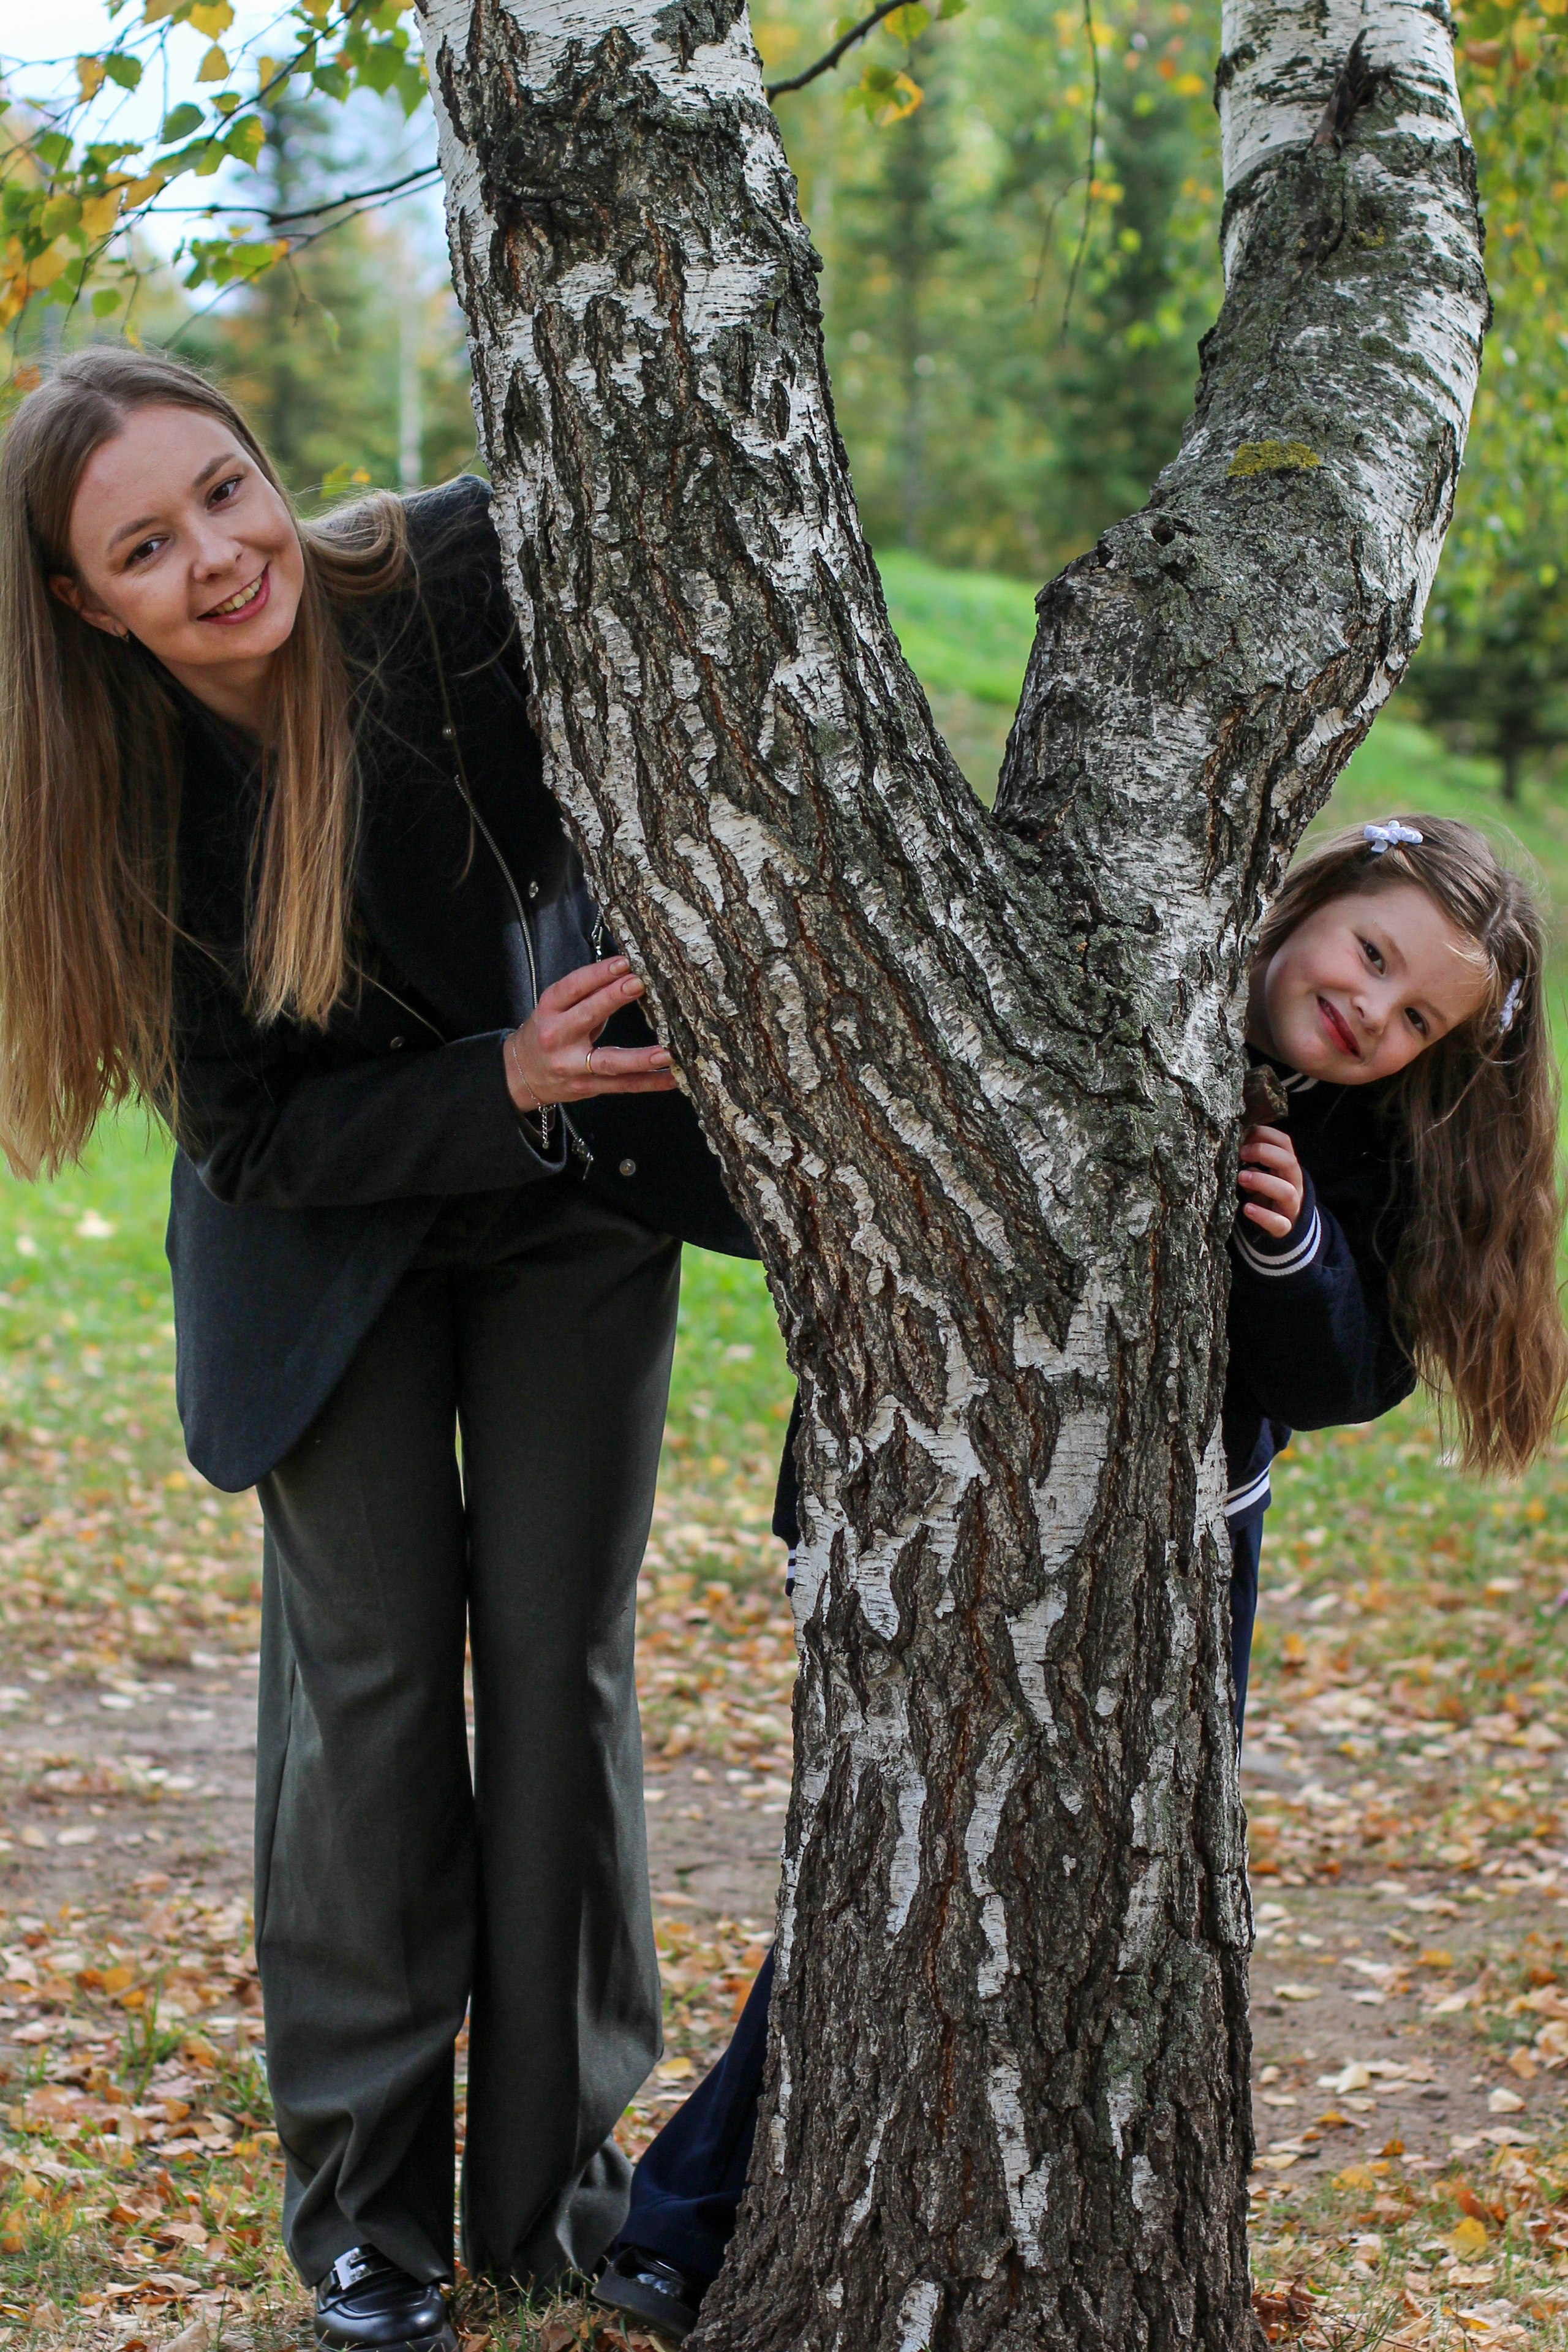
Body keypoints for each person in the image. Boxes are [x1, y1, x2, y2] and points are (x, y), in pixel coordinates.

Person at [0, 346, 759, 2352]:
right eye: (145, 548)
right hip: (323, 1237)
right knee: (371, 1696)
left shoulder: (460, 580)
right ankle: (365, 2228)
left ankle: (551, 2204)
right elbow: (253, 1135)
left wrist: (545, 1078)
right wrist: (487, 1078)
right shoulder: (122, 795)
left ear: (271, 473)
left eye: (225, 492)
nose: (217, 556)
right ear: (85, 602)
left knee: (561, 1655)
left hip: (571, 1200)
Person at [594, 813, 1568, 2342]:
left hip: (1175, 1556)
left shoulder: (1358, 1149)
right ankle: (688, 2218)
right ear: (1310, 898)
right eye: (1370, 954)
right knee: (892, 1873)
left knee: (1094, 1894)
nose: (1372, 1009)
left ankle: (1038, 2222)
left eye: (1416, 1014)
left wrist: (1292, 1249)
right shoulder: (1093, 1001)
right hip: (935, 1506)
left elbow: (1343, 1372)